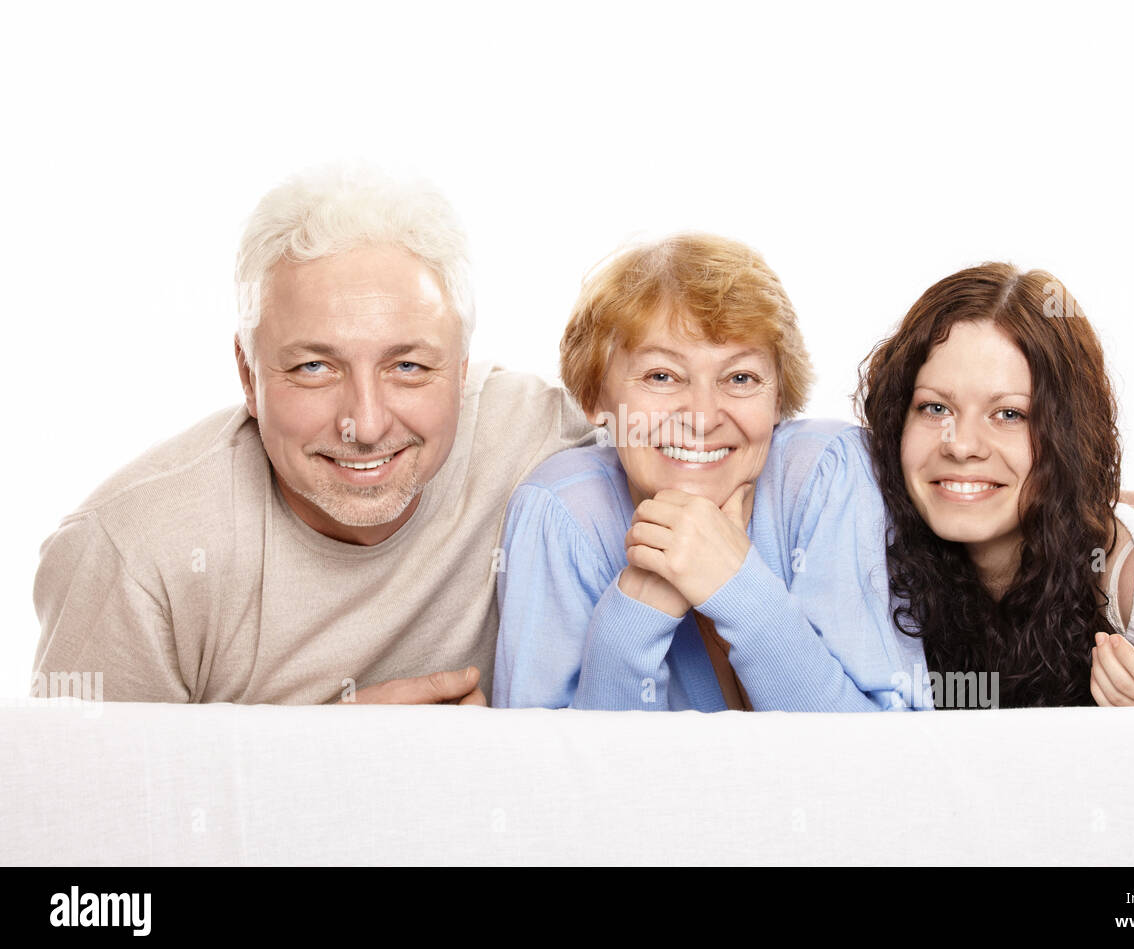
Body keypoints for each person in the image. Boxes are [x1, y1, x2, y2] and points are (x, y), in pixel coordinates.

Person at [31, 165, 592, 704]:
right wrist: (322, 762)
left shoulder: (540, 436)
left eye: (409, 367)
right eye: (314, 368)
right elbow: (75, 795)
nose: (366, 425)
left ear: (463, 370)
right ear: (249, 376)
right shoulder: (133, 554)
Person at [492, 234, 928, 711]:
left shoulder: (828, 471)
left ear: (779, 396)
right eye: (661, 376)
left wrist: (736, 586)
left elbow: (886, 756)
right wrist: (636, 613)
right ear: (596, 397)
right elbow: (550, 776)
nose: (702, 417)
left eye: (740, 378)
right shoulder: (559, 511)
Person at [856, 263, 1134, 707]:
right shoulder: (860, 530)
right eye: (935, 408)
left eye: (1010, 414)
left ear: (1067, 434)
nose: (962, 445)